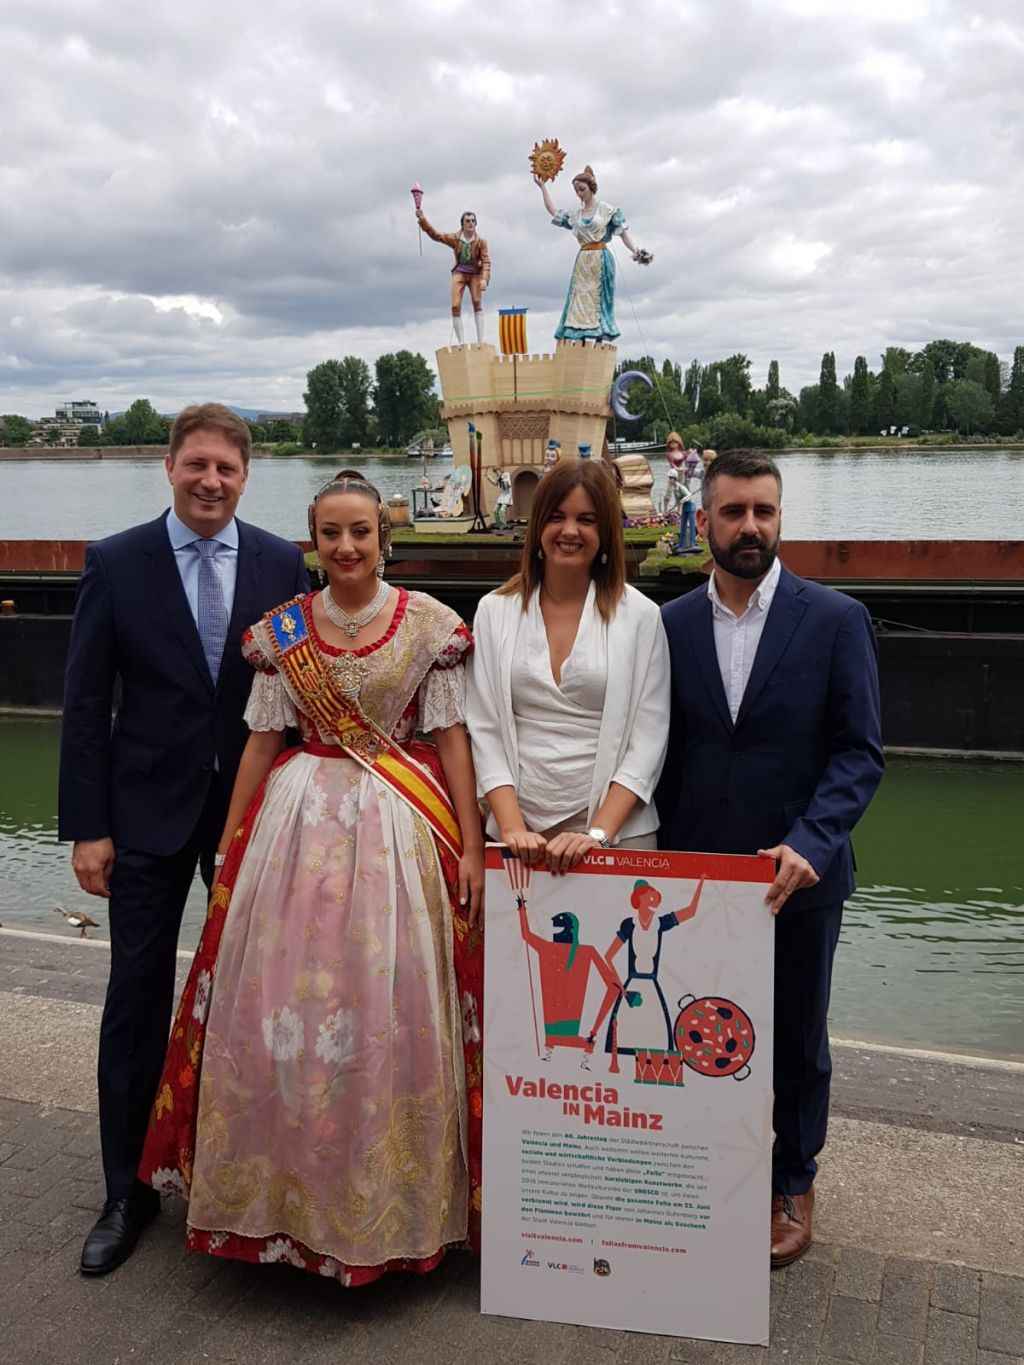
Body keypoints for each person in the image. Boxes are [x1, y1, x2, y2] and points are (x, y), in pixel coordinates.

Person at [138, 471, 484, 1287]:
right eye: (331, 533)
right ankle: (282, 1201)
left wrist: (472, 844)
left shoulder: (430, 626)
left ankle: (386, 1201)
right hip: (293, 831)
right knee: (283, 1002)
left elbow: (452, 739)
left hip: (398, 832)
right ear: (313, 540)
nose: (346, 546)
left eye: (360, 531)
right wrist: (229, 846)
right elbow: (262, 743)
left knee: (386, 1003)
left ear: (383, 536)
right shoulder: (283, 632)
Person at [58, 403, 309, 1276]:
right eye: (196, 464)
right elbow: (86, 706)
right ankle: (127, 1190)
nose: (210, 481)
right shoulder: (115, 562)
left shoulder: (281, 563)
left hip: (252, 812)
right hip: (144, 817)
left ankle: (253, 1169)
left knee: (262, 991)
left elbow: (302, 698)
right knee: (136, 996)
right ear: (169, 467)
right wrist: (88, 827)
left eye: (226, 468)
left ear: (246, 477)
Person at [657, 449, 883, 1268]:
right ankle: (705, 1164)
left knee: (796, 1037)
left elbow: (859, 752)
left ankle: (792, 1179)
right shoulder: (669, 625)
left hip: (798, 876)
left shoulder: (835, 619)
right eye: (733, 512)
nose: (749, 526)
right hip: (697, 880)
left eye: (763, 510)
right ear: (706, 520)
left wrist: (811, 842)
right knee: (699, 1028)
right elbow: (656, 749)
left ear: (781, 517)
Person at [465, 458, 670, 873]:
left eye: (586, 519)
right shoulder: (493, 611)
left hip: (617, 836)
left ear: (606, 532)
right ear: (538, 527)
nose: (570, 531)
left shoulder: (641, 616)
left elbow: (648, 740)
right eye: (557, 517)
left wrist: (597, 834)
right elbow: (485, 727)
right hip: (518, 840)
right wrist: (512, 828)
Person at [532, 165, 651, 342]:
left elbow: (623, 234)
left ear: (591, 187)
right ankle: (579, 338)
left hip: (601, 259)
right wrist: (542, 187)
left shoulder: (607, 210)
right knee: (579, 298)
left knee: (599, 300)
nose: (579, 194)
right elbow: (553, 211)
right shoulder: (576, 216)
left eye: (582, 189)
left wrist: (636, 251)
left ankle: (600, 338)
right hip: (583, 261)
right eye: (576, 191)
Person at [416, 206, 491, 345]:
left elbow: (486, 262)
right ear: (462, 224)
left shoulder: (481, 242)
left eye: (473, 221)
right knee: (455, 305)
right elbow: (436, 235)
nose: (470, 223)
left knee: (477, 302)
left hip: (475, 274)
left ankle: (480, 342)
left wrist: (485, 279)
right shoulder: (455, 238)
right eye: (467, 221)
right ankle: (461, 342)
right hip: (460, 272)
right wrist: (422, 220)